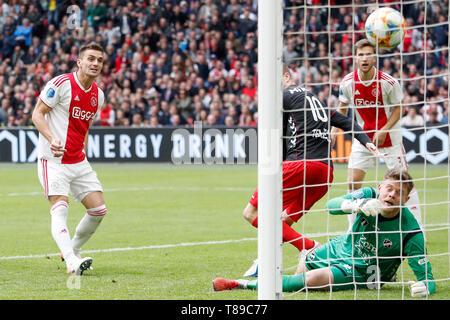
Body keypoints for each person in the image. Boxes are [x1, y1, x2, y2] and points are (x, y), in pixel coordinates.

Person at [242, 63, 382, 277]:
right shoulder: (313, 99)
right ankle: (266, 260)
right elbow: (346, 121)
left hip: (300, 165)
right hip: (325, 173)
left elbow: (278, 138)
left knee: (250, 213)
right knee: (282, 223)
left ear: (286, 76)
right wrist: (366, 141)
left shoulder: (285, 96)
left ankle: (308, 246)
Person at [214, 169, 436, 298]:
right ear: (380, 187)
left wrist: (425, 287)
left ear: (406, 200)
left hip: (361, 270)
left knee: (311, 279)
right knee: (302, 272)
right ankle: (279, 273)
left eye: (399, 193)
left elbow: (429, 278)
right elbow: (331, 205)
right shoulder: (368, 194)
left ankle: (241, 283)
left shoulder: (410, 231)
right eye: (389, 188)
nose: (391, 195)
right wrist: (355, 204)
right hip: (341, 247)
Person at [32, 42, 107, 276]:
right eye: (91, 59)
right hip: (53, 161)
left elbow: (85, 128)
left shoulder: (98, 95)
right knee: (60, 209)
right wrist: (51, 137)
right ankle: (72, 263)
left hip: (78, 161)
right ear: (80, 62)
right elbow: (37, 113)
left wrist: (84, 154)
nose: (95, 63)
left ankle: (72, 251)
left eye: (100, 60)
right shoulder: (61, 84)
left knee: (99, 210)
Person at [331, 39, 422, 231]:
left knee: (404, 183)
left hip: (390, 141)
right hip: (362, 139)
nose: (364, 58)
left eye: (368, 54)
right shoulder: (347, 82)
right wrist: (333, 133)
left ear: (375, 57)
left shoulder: (388, 83)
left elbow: (400, 109)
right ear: (355, 58)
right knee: (352, 181)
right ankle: (353, 228)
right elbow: (341, 110)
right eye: (360, 54)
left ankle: (416, 228)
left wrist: (385, 129)